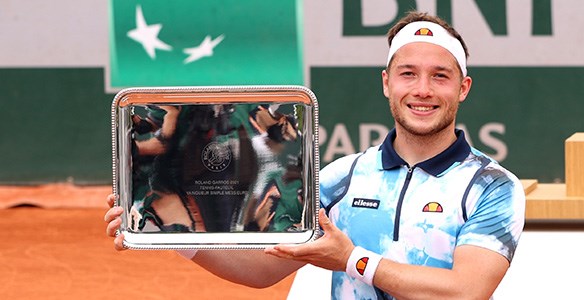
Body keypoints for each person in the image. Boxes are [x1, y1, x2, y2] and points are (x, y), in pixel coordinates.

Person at [105, 11, 526, 299]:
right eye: (408, 74)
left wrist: (350, 260)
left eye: (440, 76)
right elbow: (262, 271)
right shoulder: (340, 178)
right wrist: (167, 230)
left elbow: (467, 290)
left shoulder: (492, 186)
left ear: (463, 88)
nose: (422, 90)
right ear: (386, 83)